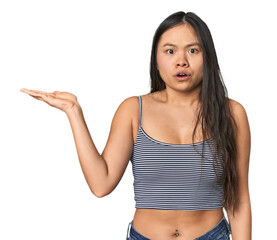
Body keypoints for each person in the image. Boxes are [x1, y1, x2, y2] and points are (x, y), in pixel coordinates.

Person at [20, 11, 252, 240]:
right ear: (157, 61)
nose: (182, 61)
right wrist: (73, 112)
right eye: (170, 51)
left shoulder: (232, 114)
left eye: (193, 50)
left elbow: (238, 199)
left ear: (208, 57)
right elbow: (101, 184)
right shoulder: (133, 110)